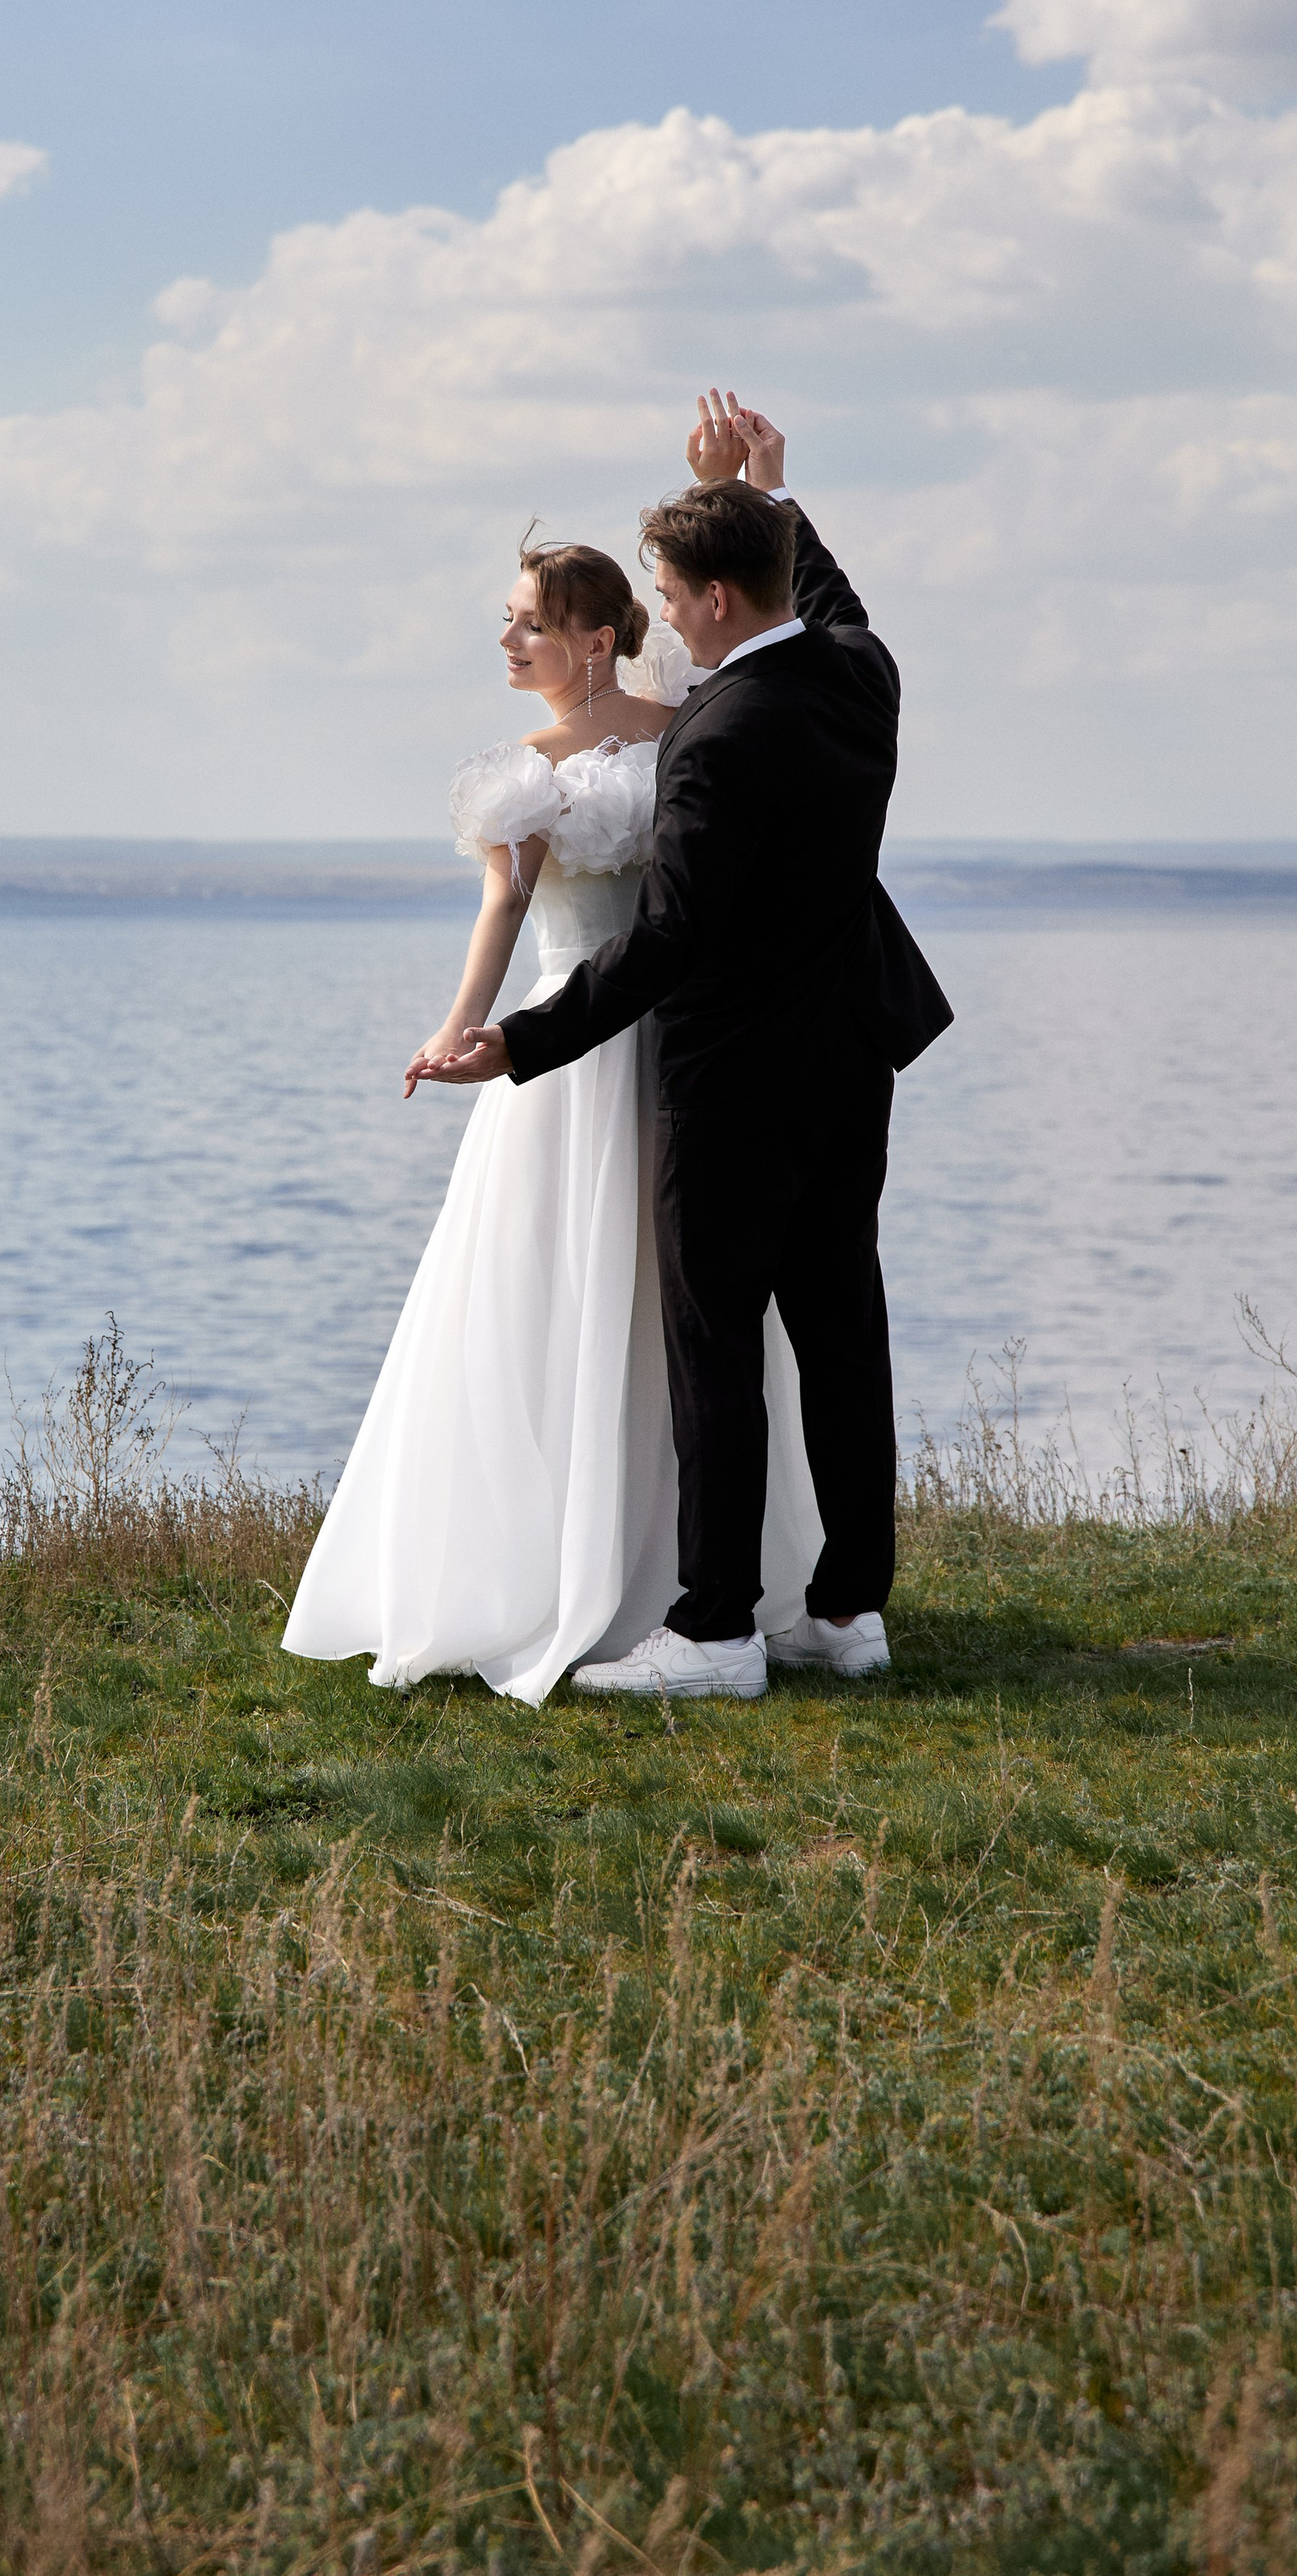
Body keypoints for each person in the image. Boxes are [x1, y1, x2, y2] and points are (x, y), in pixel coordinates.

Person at [414, 391, 952, 1700]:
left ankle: (715, 1629)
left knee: (714, 1345)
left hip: (733, 1083)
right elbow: (836, 604)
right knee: (841, 1330)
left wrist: (520, 1043)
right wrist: (771, 490)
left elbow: (668, 941)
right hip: (854, 1060)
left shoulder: (716, 741)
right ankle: (847, 1613)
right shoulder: (859, 675)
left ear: (710, 601)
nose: (659, 608)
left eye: (666, 585)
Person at [280, 504, 824, 1705]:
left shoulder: (689, 720)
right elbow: (505, 916)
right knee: (553, 1296)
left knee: (685, 1315)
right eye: (510, 625)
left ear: (595, 638)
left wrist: (745, 487)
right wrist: (459, 1025)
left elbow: (731, 633)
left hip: (675, 1052)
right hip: (564, 1058)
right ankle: (544, 1572)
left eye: (532, 625)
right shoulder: (520, 775)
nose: (511, 644)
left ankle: (692, 1588)